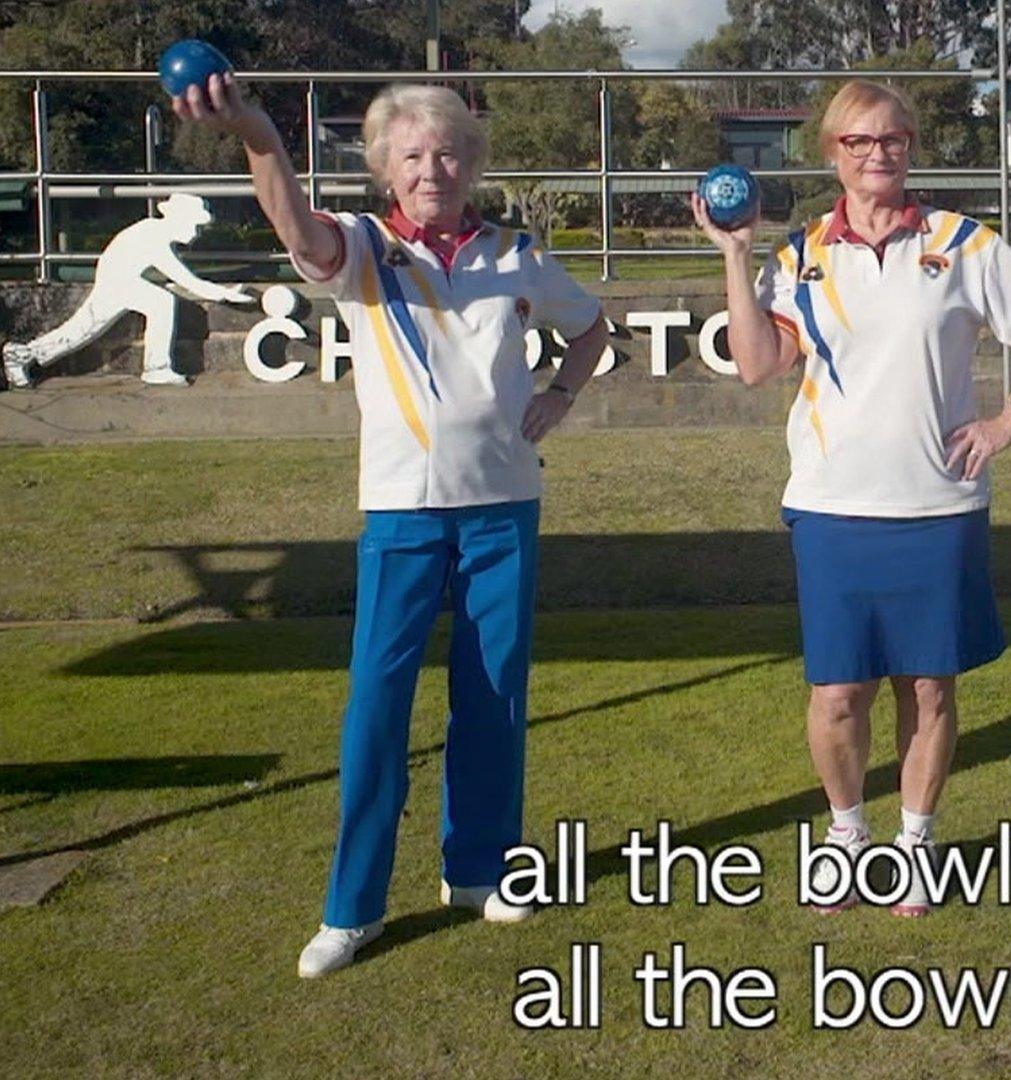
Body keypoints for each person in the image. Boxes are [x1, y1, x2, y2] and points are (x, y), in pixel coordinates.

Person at [174, 75, 609, 973]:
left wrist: (561, 394)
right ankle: (353, 907)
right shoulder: (365, 248)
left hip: (503, 506)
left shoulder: (514, 251)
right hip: (403, 511)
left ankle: (481, 871)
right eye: (411, 155)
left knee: (494, 697)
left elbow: (593, 326)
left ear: (472, 164)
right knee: (378, 705)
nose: (432, 169)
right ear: (384, 171)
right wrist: (258, 133)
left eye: (447, 152)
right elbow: (296, 226)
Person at [694, 79, 1011, 916]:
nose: (878, 155)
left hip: (939, 506)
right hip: (833, 504)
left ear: (912, 147)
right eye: (859, 142)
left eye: (893, 140)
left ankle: (915, 844)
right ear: (833, 152)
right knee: (838, 692)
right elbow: (760, 365)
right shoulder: (798, 254)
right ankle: (846, 836)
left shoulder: (963, 243)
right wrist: (734, 255)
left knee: (929, 688)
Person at [2, 192, 253, 388]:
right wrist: (224, 293)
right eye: (195, 224)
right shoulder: (155, 236)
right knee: (149, 307)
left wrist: (221, 291)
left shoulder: (154, 231)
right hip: (118, 284)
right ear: (180, 220)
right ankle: (156, 369)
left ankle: (21, 354)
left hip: (121, 282)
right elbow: (186, 280)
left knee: (81, 330)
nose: (198, 232)